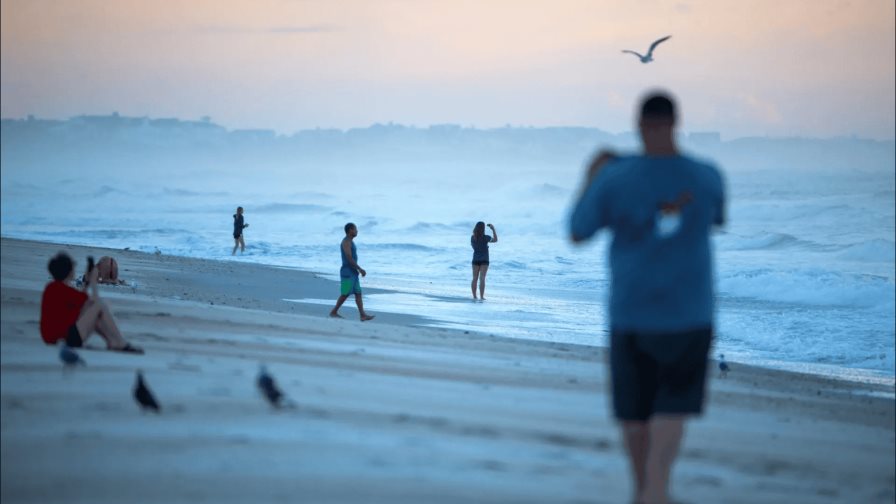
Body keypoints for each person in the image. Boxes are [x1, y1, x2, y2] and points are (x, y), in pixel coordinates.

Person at [568, 91, 725, 504]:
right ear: (676, 123)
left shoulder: (615, 177)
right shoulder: (707, 176)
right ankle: (657, 489)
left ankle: (645, 490)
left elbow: (577, 231)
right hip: (690, 313)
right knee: (673, 405)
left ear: (639, 126)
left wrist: (592, 174)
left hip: (631, 312)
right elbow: (717, 219)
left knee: (635, 412)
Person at [40, 252, 144, 354]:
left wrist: (88, 282)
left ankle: (113, 341)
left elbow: (81, 301)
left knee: (93, 308)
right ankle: (119, 342)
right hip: (65, 338)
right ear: (68, 271)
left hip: (56, 336)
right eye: (73, 268)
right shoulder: (62, 289)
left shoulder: (52, 288)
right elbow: (94, 301)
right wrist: (94, 283)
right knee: (100, 305)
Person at [329, 223, 375, 321]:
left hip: (353, 272)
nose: (357, 231)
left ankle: (362, 315)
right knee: (345, 293)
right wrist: (360, 268)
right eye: (355, 229)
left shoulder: (350, 241)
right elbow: (349, 258)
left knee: (358, 293)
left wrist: (357, 270)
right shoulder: (346, 242)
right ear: (350, 230)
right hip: (347, 271)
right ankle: (334, 311)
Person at [470, 221, 498, 300]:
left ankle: (474, 296)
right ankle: (482, 297)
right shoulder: (486, 237)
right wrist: (493, 229)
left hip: (475, 259)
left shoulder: (472, 237)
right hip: (485, 259)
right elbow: (495, 240)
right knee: (482, 278)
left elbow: (473, 247)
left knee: (474, 278)